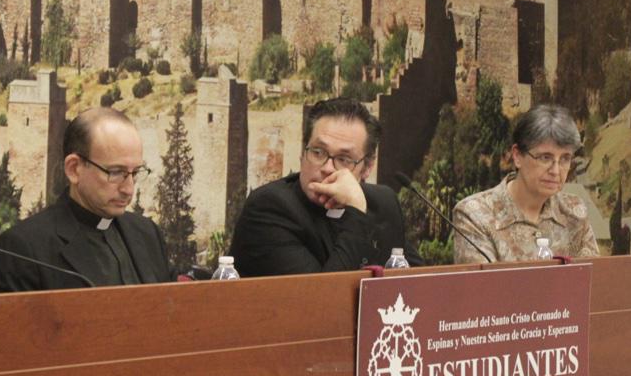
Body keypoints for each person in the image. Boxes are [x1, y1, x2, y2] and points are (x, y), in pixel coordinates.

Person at [0, 107, 172, 292]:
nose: (128, 189)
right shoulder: (25, 249)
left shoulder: (147, 233)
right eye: (116, 173)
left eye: (136, 172)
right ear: (74, 169)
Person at [229, 97, 420, 276]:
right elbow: (324, 302)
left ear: (367, 167)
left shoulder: (384, 203)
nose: (327, 168)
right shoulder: (269, 209)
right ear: (302, 153)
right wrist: (357, 214)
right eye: (318, 152)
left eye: (343, 159)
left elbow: (424, 287)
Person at [452, 103, 599, 263]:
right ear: (517, 156)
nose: (556, 171)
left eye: (564, 158)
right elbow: (483, 287)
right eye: (545, 157)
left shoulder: (575, 212)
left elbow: (595, 282)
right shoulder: (475, 216)